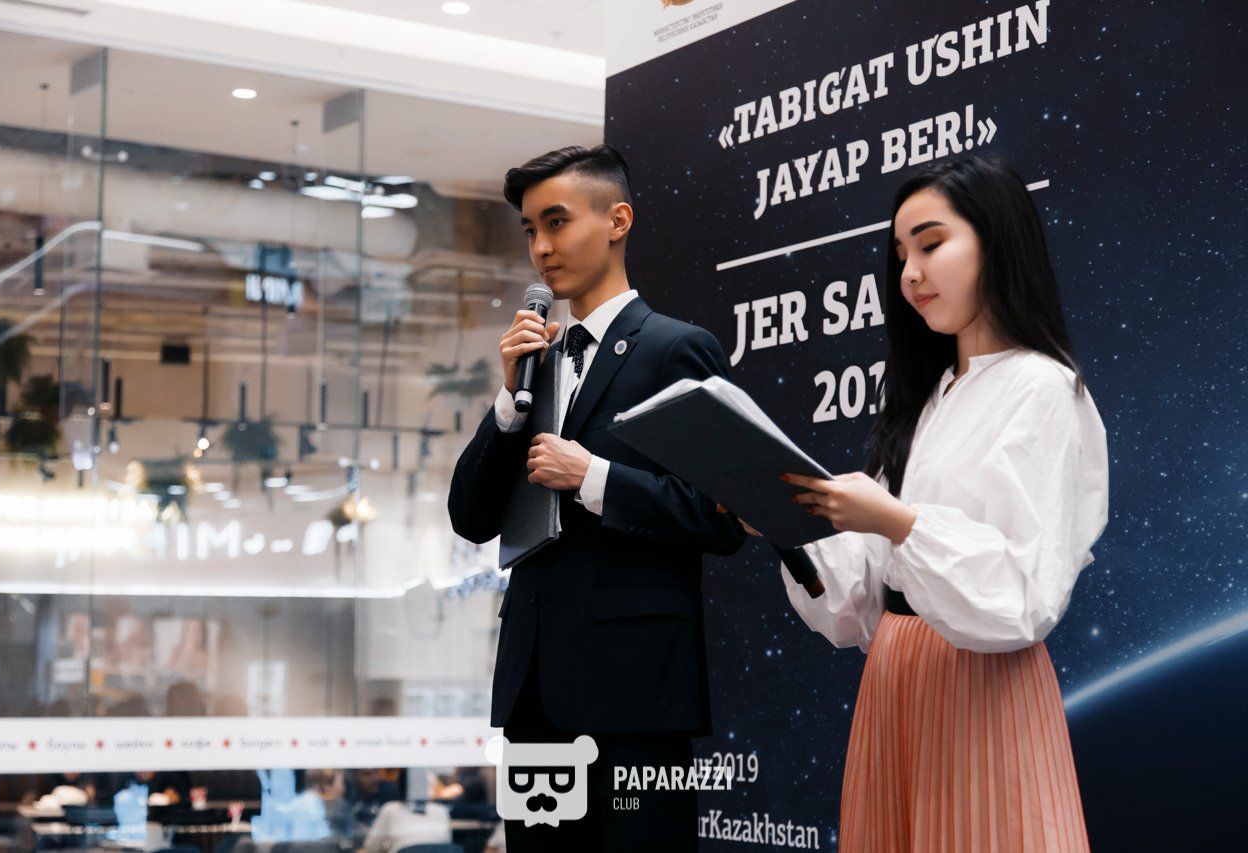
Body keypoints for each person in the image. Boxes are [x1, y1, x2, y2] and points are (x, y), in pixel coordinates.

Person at [775, 156, 1108, 852]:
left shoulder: (1042, 387)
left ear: (997, 239)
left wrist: (897, 521)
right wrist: (784, 520)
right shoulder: (923, 401)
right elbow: (856, 602)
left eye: (930, 244)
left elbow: (1024, 596)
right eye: (901, 254)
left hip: (981, 683)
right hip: (895, 672)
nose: (911, 273)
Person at [448, 144, 746, 852]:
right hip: (533, 690)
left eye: (556, 222)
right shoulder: (538, 362)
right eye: (530, 230)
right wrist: (509, 402)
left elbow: (724, 515)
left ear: (617, 220)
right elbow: (470, 517)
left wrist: (593, 477)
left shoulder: (676, 349)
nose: (541, 248)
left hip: (635, 692)